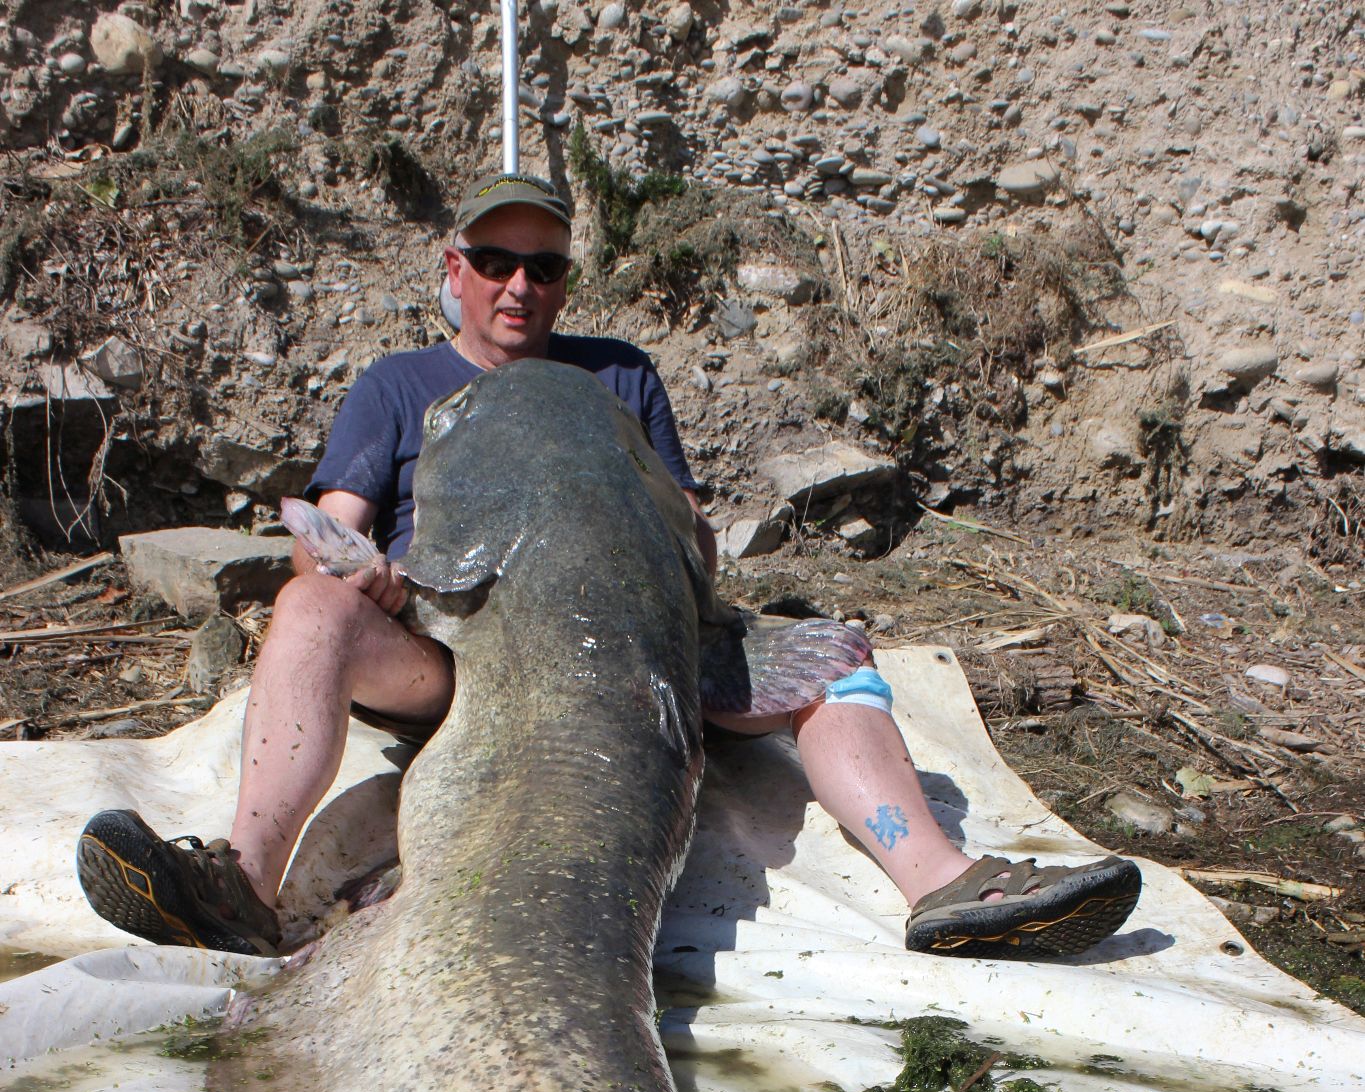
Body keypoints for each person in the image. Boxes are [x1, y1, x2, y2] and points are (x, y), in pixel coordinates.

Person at [76, 169, 1140, 961]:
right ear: (455, 272)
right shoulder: (397, 385)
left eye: (544, 267)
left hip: (638, 650)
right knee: (310, 606)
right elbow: (330, 523)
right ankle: (241, 883)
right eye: (494, 263)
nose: (518, 285)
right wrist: (364, 573)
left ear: (566, 281)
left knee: (839, 660)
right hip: (461, 649)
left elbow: (688, 523)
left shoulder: (620, 376)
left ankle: (943, 883)